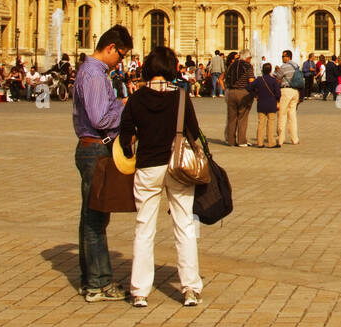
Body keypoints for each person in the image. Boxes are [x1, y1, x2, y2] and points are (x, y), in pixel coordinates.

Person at [118, 45, 204, 307]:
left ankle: (140, 291)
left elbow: (124, 138)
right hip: (177, 166)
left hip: (147, 167)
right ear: (171, 70)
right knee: (184, 226)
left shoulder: (136, 98)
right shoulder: (180, 96)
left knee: (144, 228)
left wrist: (133, 143)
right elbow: (194, 131)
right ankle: (189, 288)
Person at [72, 25, 132, 303]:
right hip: (95, 149)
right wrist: (123, 107)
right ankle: (99, 283)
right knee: (96, 219)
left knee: (91, 216)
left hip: (92, 149)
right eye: (120, 55)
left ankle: (91, 280)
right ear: (110, 48)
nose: (121, 61)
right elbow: (99, 119)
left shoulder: (93, 72)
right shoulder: (95, 74)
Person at [224, 50, 255, 147]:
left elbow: (226, 79)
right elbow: (251, 81)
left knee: (231, 118)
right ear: (247, 58)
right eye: (250, 58)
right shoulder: (247, 66)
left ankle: (231, 141)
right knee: (242, 117)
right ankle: (242, 141)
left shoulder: (231, 66)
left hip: (231, 93)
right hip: (243, 93)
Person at [248, 62, 282, 147]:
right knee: (271, 123)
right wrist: (277, 100)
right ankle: (271, 143)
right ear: (270, 70)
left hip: (261, 103)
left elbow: (248, 88)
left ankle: (260, 142)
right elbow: (278, 93)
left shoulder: (259, 79)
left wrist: (255, 95)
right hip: (271, 104)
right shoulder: (273, 80)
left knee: (261, 123)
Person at [275, 50, 300, 146]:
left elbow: (278, 79)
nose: (282, 58)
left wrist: (278, 71)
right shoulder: (296, 65)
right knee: (292, 116)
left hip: (286, 91)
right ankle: (295, 139)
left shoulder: (284, 66)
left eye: (283, 56)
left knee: (282, 114)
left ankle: (280, 139)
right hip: (295, 92)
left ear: (287, 57)